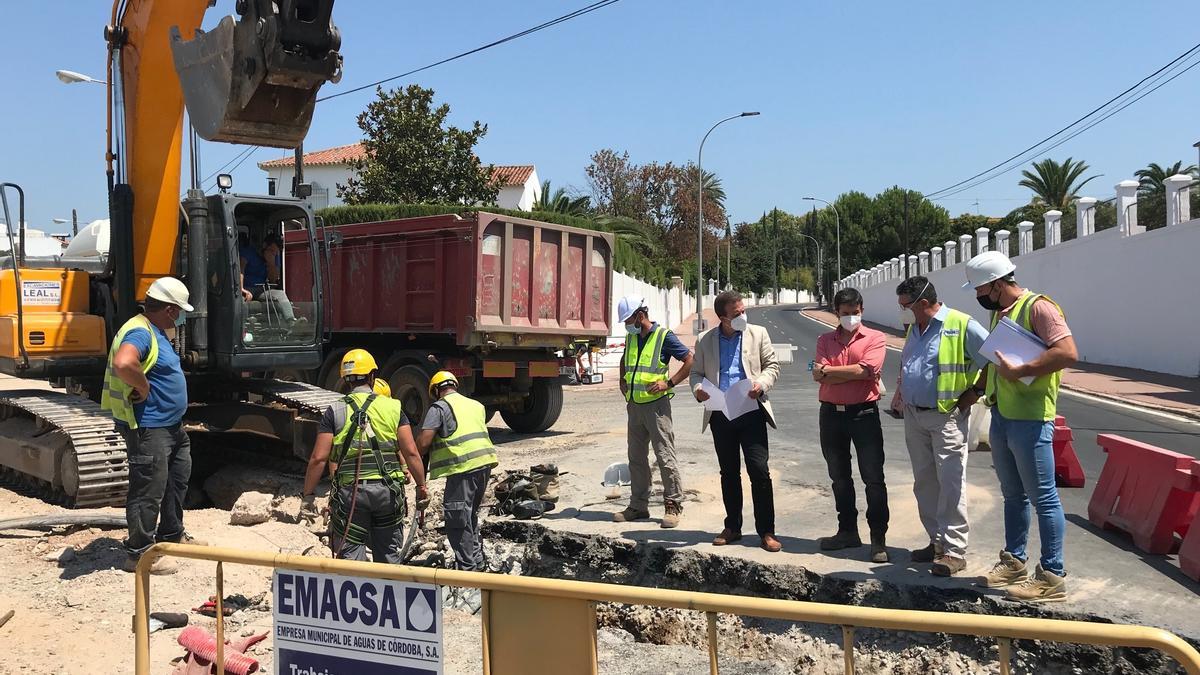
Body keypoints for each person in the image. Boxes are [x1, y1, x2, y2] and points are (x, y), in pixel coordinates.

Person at [966, 251, 1077, 603]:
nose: (979, 294)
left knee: (1043, 497)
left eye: (982, 288)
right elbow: (997, 362)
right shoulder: (1002, 313)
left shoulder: (1039, 308)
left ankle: (1052, 575)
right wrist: (977, 390)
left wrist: (1023, 369)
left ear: (999, 283)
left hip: (1031, 418)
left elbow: (1068, 352)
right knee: (1013, 496)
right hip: (1003, 416)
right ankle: (1014, 562)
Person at [891, 276, 989, 576]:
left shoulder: (961, 324)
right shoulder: (915, 329)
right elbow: (910, 364)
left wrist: (973, 394)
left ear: (923, 303)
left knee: (951, 483)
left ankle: (955, 550)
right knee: (924, 481)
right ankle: (936, 542)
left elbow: (993, 359)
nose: (902, 312)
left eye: (906, 306)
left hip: (945, 416)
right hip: (914, 415)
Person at [102, 277, 198, 575]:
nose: (180, 317)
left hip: (171, 427)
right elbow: (123, 363)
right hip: (149, 428)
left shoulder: (153, 330)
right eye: (179, 311)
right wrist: (142, 387)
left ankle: (171, 535)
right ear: (170, 310)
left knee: (175, 481)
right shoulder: (139, 332)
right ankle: (139, 554)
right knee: (148, 490)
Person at [301, 349, 427, 562]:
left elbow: (318, 459)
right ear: (372, 376)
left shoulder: (335, 411)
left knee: (351, 558)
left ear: (345, 379)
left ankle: (356, 592)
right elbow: (411, 452)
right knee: (388, 556)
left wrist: (308, 495)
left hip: (351, 494)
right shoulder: (393, 407)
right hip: (388, 492)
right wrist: (421, 486)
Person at [690, 291, 782, 552]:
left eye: (743, 310)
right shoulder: (705, 340)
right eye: (736, 313)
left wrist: (760, 384)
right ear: (723, 318)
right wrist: (698, 389)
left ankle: (767, 531)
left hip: (751, 409)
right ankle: (733, 526)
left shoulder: (758, 333)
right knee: (728, 472)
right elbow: (696, 372)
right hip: (721, 411)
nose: (743, 315)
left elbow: (772, 366)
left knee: (759, 470)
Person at [813, 288, 889, 562]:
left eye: (855, 313)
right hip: (831, 414)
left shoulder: (876, 338)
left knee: (873, 478)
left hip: (864, 414)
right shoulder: (825, 339)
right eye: (845, 314)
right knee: (839, 477)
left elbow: (868, 370)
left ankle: (878, 538)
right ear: (837, 313)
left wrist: (831, 372)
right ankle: (847, 531)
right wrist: (851, 373)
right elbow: (816, 373)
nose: (850, 318)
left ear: (862, 310)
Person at [616, 296, 693, 529]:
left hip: (656, 407)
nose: (627, 325)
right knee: (636, 458)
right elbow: (624, 360)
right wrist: (622, 379)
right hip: (635, 406)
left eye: (629, 320)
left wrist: (669, 383)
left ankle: (673, 504)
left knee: (664, 456)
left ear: (640, 315)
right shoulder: (631, 337)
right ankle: (638, 505)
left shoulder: (663, 336)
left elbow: (690, 360)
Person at [416, 371, 498, 573]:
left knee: (456, 520)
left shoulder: (439, 407)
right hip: (484, 464)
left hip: (462, 467)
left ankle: (467, 571)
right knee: (469, 516)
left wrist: (412, 457)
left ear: (436, 390)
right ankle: (477, 563)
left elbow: (424, 443)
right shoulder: (475, 405)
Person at [239, 232, 294, 324]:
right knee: (240, 300)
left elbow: (273, 280)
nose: (273, 254)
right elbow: (240, 270)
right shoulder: (248, 252)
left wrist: (271, 264)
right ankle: (243, 325)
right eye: (271, 250)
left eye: (275, 252)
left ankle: (291, 321)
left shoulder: (274, 257)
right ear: (264, 246)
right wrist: (241, 289)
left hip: (262, 289)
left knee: (280, 294)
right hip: (247, 287)